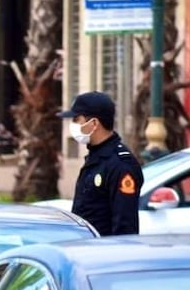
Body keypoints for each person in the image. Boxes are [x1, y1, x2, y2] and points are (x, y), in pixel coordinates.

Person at [58, 91, 143, 236]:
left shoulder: (121, 164)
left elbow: (125, 226)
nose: (73, 125)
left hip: (104, 253)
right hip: (86, 249)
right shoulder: (95, 158)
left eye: (76, 120)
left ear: (94, 123)